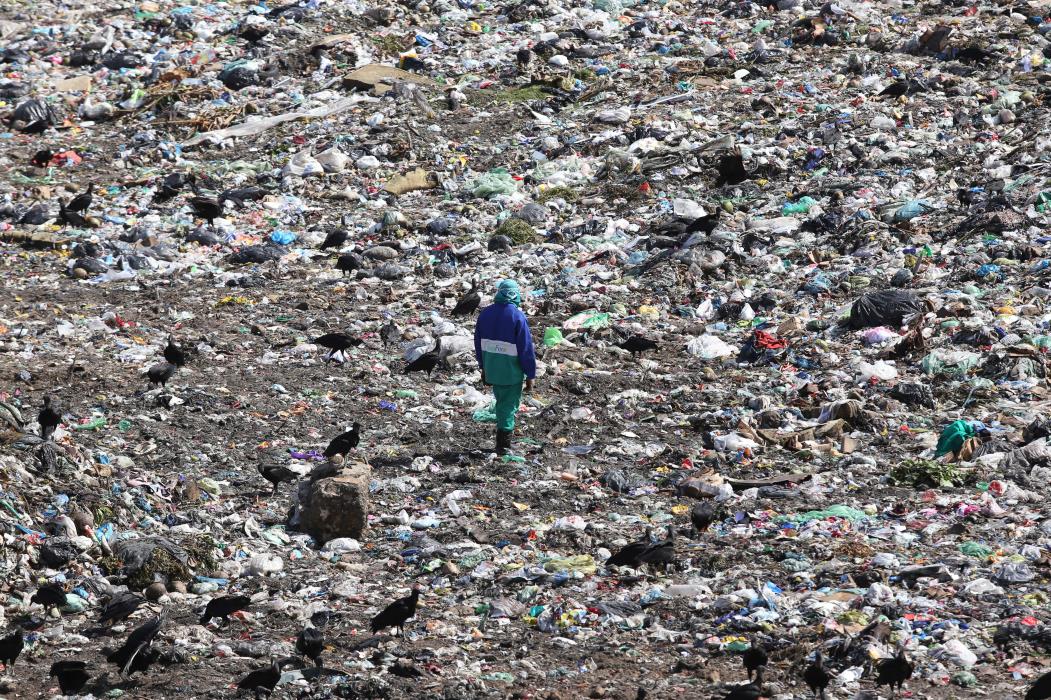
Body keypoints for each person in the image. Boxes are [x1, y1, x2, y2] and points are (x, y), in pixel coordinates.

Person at [474, 280, 536, 454]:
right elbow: (526, 349)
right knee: (508, 406)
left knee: (501, 402)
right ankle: (503, 445)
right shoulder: (517, 316)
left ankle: (502, 441)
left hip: (492, 368)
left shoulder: (485, 314)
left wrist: (483, 367)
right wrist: (530, 374)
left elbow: (478, 343)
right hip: (511, 371)